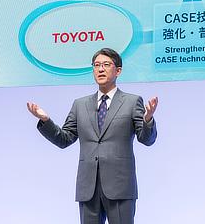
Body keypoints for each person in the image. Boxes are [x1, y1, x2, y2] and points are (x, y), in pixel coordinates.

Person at [27, 47, 158, 224]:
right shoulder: (80, 105)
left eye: (106, 65)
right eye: (96, 65)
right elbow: (64, 139)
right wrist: (45, 120)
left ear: (118, 71)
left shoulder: (132, 102)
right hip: (88, 188)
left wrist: (148, 119)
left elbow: (146, 139)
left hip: (120, 186)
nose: (100, 69)